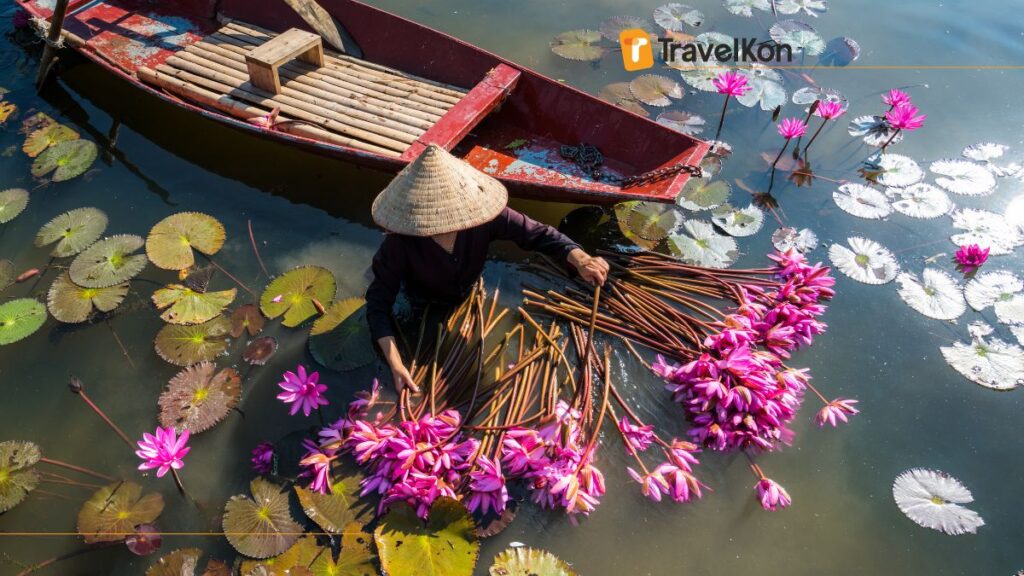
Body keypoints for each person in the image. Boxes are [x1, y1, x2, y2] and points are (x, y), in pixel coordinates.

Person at [365, 144, 609, 394]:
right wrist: (395, 364)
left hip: (468, 288)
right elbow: (377, 306)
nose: (446, 223)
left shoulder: (483, 217)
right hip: (421, 300)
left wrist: (579, 258)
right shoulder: (399, 244)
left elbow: (536, 233)